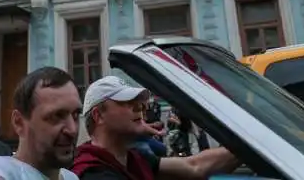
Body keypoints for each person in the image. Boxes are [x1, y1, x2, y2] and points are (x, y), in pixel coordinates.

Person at [73, 76, 241, 180]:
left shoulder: (134, 159)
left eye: (138, 102)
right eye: (126, 102)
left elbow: (194, 167)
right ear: (98, 116)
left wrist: (251, 144)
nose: (140, 107)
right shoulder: (92, 172)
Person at [0, 66, 82, 180]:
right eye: (57, 116)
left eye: (76, 115)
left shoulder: (71, 177)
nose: (72, 130)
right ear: (19, 122)